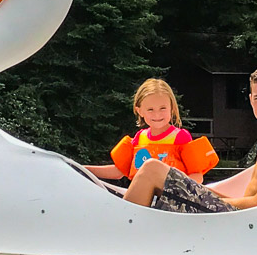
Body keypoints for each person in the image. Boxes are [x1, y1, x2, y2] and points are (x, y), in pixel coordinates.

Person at [124, 63, 257, 213]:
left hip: (244, 219)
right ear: (251, 100)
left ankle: (121, 229)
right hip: (237, 211)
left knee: (152, 169)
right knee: (155, 174)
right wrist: (201, 192)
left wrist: (199, 195)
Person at [84, 78, 218, 184]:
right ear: (139, 111)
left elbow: (197, 176)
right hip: (145, 201)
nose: (157, 114)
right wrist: (82, 169)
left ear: (172, 108)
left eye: (162, 108)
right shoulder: (138, 138)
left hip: (169, 201)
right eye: (150, 110)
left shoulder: (181, 137)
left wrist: (174, 189)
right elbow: (119, 172)